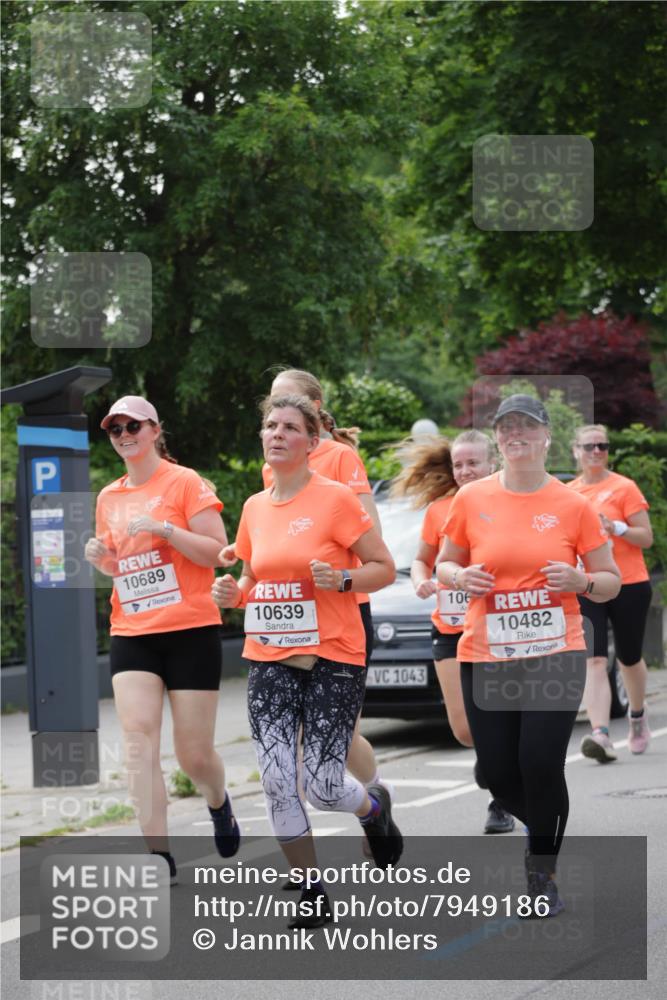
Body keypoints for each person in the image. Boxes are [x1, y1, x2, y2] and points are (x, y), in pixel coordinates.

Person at [211, 393, 399, 928]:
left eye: (289, 427)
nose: (276, 434)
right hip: (268, 656)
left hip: (332, 657)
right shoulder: (253, 506)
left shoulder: (336, 499)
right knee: (275, 777)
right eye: (269, 425)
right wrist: (236, 593)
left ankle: (373, 808)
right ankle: (312, 892)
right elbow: (254, 574)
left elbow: (383, 567)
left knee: (321, 785)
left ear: (312, 442)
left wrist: (342, 579)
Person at [437, 394, 621, 916]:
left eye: (527, 426)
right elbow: (444, 565)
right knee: (498, 771)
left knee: (540, 763)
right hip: (486, 651)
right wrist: (461, 576)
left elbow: (610, 582)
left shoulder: (573, 505)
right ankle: (540, 824)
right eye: (506, 427)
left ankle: (543, 875)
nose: (516, 433)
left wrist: (582, 579)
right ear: (497, 439)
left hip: (554, 650)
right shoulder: (471, 498)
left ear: (545, 438)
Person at [84, 395, 239, 883]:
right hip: (132, 631)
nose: (124, 434)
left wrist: (165, 529)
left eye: (134, 426)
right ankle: (159, 856)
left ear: (155, 430)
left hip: (190, 630)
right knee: (138, 741)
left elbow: (219, 553)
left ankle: (218, 800)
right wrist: (101, 560)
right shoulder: (108, 497)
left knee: (194, 754)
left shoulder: (184, 481)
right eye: (115, 429)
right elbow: (121, 565)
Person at [219, 368, 388, 809]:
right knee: (283, 758)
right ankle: (305, 846)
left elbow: (374, 539)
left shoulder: (340, 460)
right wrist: (239, 569)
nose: (277, 419)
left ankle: (372, 796)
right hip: (283, 619)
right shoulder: (268, 471)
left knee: (341, 737)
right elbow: (272, 535)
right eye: (271, 410)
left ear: (313, 412)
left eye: (288, 405)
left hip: (343, 605)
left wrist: (341, 577)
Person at [399, 430, 515, 834]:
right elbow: (422, 560)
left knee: (500, 718)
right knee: (466, 730)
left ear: (492, 464)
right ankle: (494, 768)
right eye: (459, 464)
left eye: (473, 463)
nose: (465, 471)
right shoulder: (440, 510)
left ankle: (501, 800)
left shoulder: (508, 504)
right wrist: (419, 580)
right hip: (450, 628)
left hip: (497, 628)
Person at [569, 424, 654, 762]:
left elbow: (645, 537)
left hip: (630, 581)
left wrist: (615, 527)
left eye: (602, 445)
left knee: (629, 658)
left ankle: (636, 717)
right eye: (589, 446)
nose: (596, 452)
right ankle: (600, 734)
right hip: (589, 583)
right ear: (576, 450)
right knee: (595, 658)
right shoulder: (570, 493)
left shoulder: (624, 488)